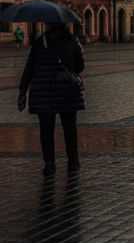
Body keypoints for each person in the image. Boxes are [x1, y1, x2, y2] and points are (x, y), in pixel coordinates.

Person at [18, 22, 85, 174]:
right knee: (69, 128)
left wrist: (23, 89)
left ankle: (49, 163)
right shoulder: (72, 41)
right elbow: (80, 66)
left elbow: (30, 67)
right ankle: (73, 160)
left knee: (46, 130)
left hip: (44, 92)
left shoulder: (40, 42)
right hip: (66, 91)